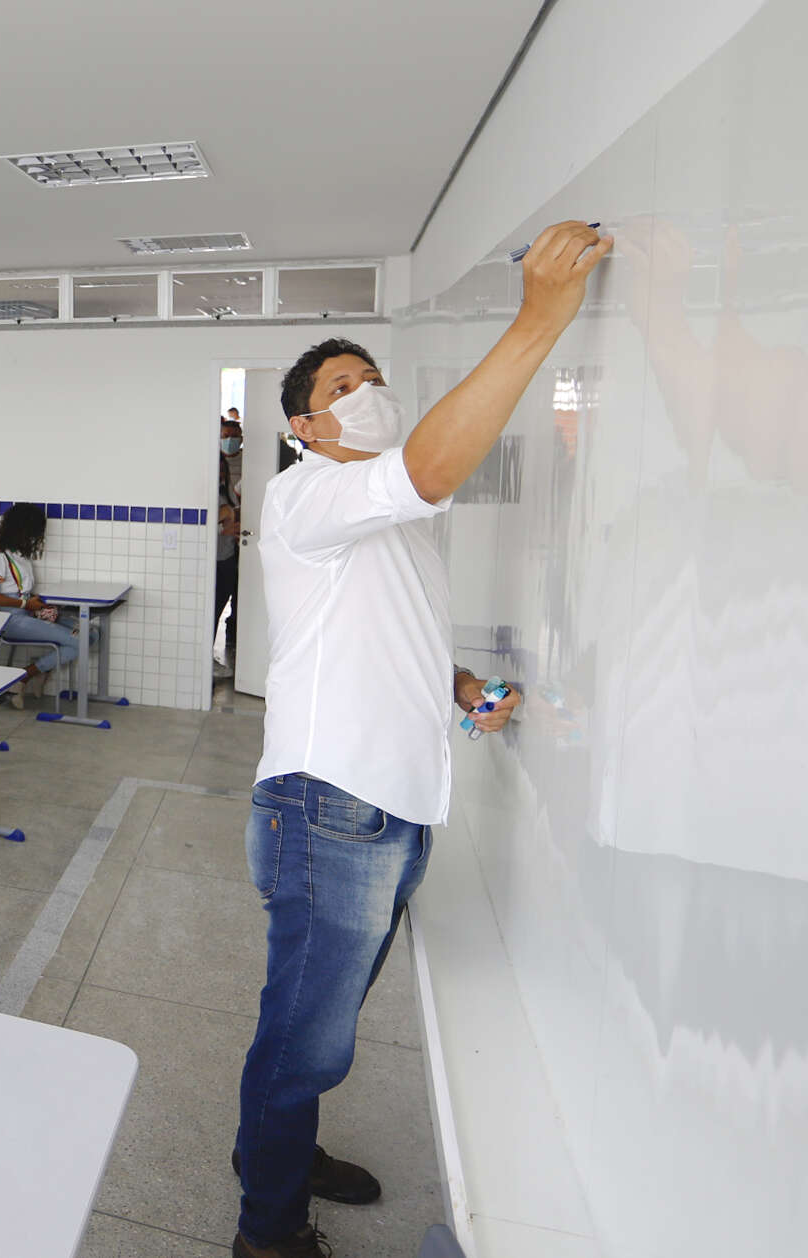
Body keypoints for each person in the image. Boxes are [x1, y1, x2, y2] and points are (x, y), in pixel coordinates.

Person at [230, 222, 604, 1258]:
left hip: (385, 805)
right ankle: (263, 1230)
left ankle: (282, 1149)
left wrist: (461, 684)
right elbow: (433, 464)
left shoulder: (382, 522)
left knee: (316, 1026)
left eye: (372, 376)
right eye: (343, 386)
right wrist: (536, 321)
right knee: (300, 1041)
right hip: (327, 807)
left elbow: (385, 636)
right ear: (306, 425)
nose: (367, 391)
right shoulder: (306, 494)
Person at [0, 502, 79, 708]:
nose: (37, 537)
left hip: (28, 611)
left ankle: (33, 673)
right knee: (78, 642)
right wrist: (26, 603)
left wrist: (40, 603)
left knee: (90, 633)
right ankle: (24, 677)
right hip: (10, 619)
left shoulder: (20, 553)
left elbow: (22, 590)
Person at [213, 457, 242, 680]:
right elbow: (218, 520)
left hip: (228, 556)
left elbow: (230, 518)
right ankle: (206, 660)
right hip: (215, 559)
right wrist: (226, 515)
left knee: (221, 607)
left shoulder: (227, 491)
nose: (221, 473)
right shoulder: (210, 493)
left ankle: (208, 657)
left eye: (223, 469)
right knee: (212, 612)